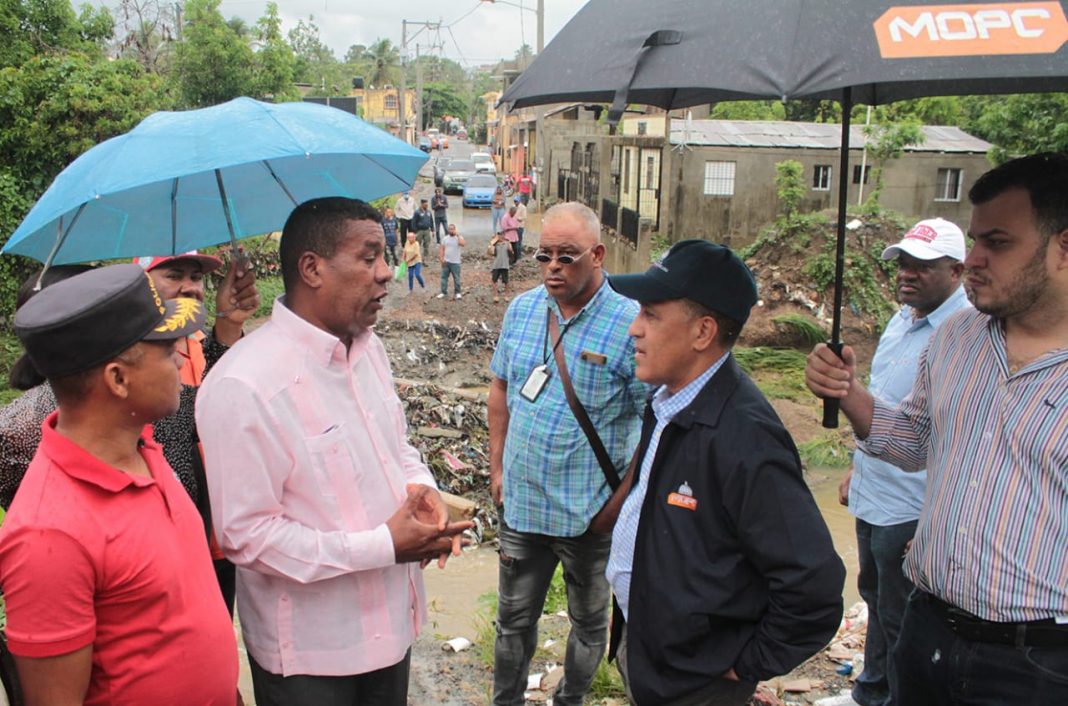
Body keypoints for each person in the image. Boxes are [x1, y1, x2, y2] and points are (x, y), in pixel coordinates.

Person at [805, 152, 1068, 706]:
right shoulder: (956, 340)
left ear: (1064, 247)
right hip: (928, 629)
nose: (972, 260)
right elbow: (914, 444)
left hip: (1041, 663)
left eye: (997, 243)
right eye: (973, 241)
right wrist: (848, 393)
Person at [196, 197, 471, 706]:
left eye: (384, 256)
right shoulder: (243, 385)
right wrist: (384, 545)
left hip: (392, 628)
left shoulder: (371, 351)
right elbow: (246, 536)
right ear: (312, 268)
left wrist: (424, 493)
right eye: (369, 258)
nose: (386, 273)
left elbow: (398, 448)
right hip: (311, 657)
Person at [606, 240, 845, 706]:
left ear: (703, 332)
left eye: (651, 315)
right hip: (654, 653)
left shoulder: (745, 438)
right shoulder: (670, 404)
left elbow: (813, 589)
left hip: (700, 681)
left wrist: (742, 664)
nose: (634, 330)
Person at [0, 264, 239, 705]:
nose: (183, 360)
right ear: (117, 379)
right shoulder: (48, 533)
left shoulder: (144, 443)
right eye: (167, 352)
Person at [489, 202, 649, 706]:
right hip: (522, 507)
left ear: (598, 255)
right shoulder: (522, 309)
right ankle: (506, 701)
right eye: (544, 256)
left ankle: (570, 700)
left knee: (588, 624)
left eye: (567, 256)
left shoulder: (631, 324)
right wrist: (496, 468)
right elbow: (499, 389)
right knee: (512, 622)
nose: (553, 267)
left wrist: (620, 504)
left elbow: (655, 425)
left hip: (590, 516)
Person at [841, 218, 971, 706]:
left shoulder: (964, 333)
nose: (907, 274)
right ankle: (870, 688)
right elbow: (885, 403)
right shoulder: (903, 319)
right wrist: (857, 470)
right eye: (903, 263)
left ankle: (893, 697)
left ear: (957, 270)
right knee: (873, 596)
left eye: (923, 266)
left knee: (901, 614)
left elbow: (949, 434)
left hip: (912, 504)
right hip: (874, 488)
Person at [437, 223, 465, 300]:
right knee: (444, 277)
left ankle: (458, 292)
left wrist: (458, 235)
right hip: (446, 261)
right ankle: (443, 292)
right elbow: (442, 249)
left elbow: (462, 244)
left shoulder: (458, 238)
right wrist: (441, 258)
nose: (451, 230)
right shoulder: (445, 238)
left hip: (455, 262)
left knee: (456, 278)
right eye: (449, 229)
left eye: (452, 229)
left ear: (455, 229)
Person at [488, 232, 511, 304]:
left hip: (505, 265)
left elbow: (511, 253)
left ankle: (507, 295)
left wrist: (510, 249)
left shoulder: (507, 243)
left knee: (506, 281)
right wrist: (492, 243)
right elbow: (490, 253)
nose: (500, 237)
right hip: (496, 265)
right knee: (494, 280)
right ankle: (495, 295)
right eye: (499, 235)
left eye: (501, 235)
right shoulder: (495, 244)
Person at [413, 198, 435, 265]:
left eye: (427, 204)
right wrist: (415, 232)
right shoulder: (417, 212)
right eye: (425, 204)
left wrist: (433, 230)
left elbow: (431, 221)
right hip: (419, 231)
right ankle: (417, 259)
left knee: (426, 245)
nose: (427, 206)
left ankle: (425, 259)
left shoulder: (429, 212)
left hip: (427, 231)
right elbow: (413, 222)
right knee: (417, 245)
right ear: (422, 204)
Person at [514, 196, 528, 261]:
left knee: (519, 241)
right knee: (514, 241)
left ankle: (519, 256)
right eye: (514, 201)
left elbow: (524, 217)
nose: (515, 203)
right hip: (513, 226)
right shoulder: (513, 207)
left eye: (516, 201)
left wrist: (517, 218)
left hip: (520, 226)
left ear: (519, 201)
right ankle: (515, 255)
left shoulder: (523, 208)